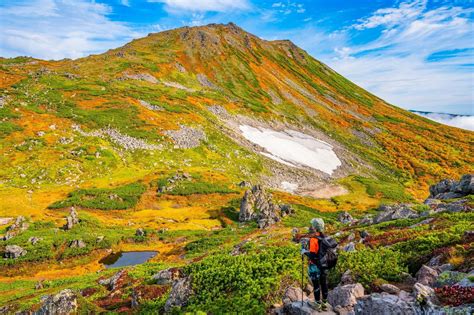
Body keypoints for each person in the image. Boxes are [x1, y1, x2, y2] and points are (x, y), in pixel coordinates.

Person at [295, 218, 330, 311]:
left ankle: (317, 304)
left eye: (312, 225)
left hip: (315, 265)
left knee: (316, 284)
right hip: (324, 264)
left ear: (315, 227)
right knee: (324, 283)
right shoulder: (324, 237)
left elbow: (313, 255)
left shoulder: (313, 239)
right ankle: (325, 303)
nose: (311, 227)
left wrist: (304, 252)